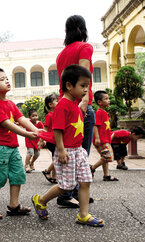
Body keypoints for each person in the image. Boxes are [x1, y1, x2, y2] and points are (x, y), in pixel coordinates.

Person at [31, 64, 104, 227]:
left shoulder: (76, 105)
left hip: (79, 150)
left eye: (87, 86)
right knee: (67, 186)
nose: (86, 90)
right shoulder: (63, 106)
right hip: (67, 151)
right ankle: (41, 200)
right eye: (83, 86)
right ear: (69, 86)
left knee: (85, 181)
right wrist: (62, 150)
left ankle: (83, 215)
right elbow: (57, 129)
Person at [0, 68, 39, 220]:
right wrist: (27, 134)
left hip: (12, 147)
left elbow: (21, 119)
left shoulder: (11, 104)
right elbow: (7, 124)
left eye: (7, 78)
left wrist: (37, 132)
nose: (7, 80)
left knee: (17, 175)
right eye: (2, 79)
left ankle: (14, 205)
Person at [56, 15, 95, 208]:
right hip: (80, 105)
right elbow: (83, 71)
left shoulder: (62, 54)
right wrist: (86, 98)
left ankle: (75, 191)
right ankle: (68, 194)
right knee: (81, 151)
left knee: (71, 149)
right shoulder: (84, 47)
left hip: (66, 103)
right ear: (82, 28)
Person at [90, 91, 117, 181]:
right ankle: (92, 168)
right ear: (99, 102)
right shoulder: (99, 112)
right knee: (108, 156)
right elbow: (95, 125)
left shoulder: (104, 112)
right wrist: (97, 138)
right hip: (101, 139)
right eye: (106, 99)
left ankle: (106, 175)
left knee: (104, 157)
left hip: (106, 139)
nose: (108, 100)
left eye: (108, 98)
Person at [42, 94, 58, 184]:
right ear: (50, 105)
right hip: (51, 141)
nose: (58, 102)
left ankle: (54, 177)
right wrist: (43, 139)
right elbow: (45, 128)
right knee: (57, 158)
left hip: (56, 140)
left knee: (55, 158)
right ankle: (47, 171)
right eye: (56, 101)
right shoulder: (50, 115)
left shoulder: (57, 114)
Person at [24, 109, 44, 173]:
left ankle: (32, 163)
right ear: (29, 117)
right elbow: (21, 124)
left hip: (37, 141)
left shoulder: (40, 123)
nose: (35, 117)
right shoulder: (28, 123)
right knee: (30, 152)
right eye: (33, 116)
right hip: (29, 139)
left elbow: (43, 132)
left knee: (37, 153)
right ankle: (26, 165)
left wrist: (42, 141)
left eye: (36, 115)